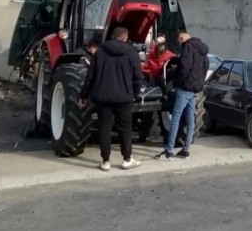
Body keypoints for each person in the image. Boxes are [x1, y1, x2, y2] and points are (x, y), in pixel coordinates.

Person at [78, 27, 143, 172]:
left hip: (103, 97)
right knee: (125, 129)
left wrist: (83, 95)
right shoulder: (132, 53)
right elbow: (138, 78)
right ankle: (127, 159)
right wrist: (135, 94)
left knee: (104, 129)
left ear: (112, 37)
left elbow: (90, 78)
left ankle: (105, 161)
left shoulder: (99, 52)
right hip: (124, 98)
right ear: (126, 38)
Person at [156, 32, 209, 160]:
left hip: (184, 88)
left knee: (176, 117)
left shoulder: (188, 47)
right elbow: (205, 68)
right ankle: (185, 151)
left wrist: (176, 83)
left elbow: (184, 67)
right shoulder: (203, 50)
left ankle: (169, 151)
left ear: (181, 38)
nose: (180, 44)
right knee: (191, 120)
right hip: (195, 89)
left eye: (179, 42)